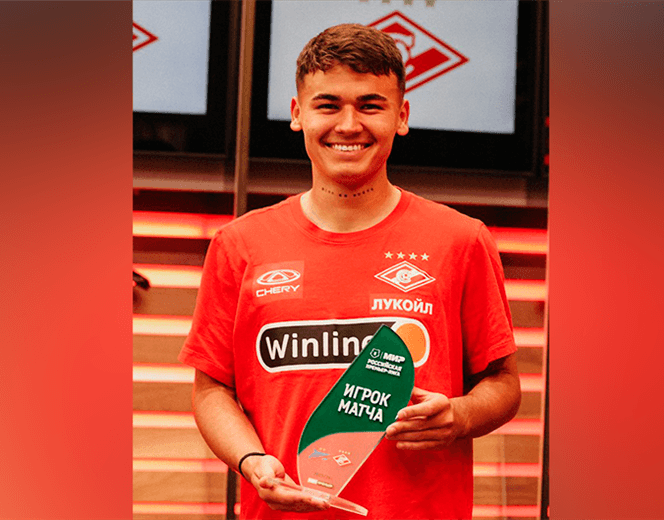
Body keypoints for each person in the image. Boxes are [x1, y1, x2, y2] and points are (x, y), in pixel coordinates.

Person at [179, 23, 521, 519]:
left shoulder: (461, 240)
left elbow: (503, 384)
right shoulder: (239, 245)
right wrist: (251, 461)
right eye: (328, 105)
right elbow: (212, 389)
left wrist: (461, 415)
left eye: (370, 105)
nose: (348, 124)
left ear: (401, 117)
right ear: (297, 113)